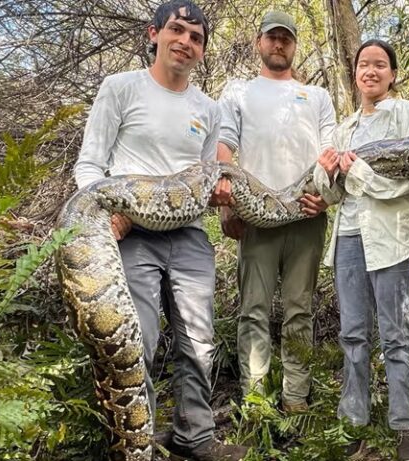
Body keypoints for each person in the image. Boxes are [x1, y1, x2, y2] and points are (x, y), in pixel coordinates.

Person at [73, 1, 246, 460]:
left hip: (188, 235)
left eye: (196, 37)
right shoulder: (121, 88)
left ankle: (195, 437)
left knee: (199, 343)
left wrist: (223, 195)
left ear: (203, 51)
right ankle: (138, 444)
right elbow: (91, 163)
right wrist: (103, 213)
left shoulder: (207, 109)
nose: (186, 42)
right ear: (154, 34)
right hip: (131, 235)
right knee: (138, 341)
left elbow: (209, 177)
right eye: (178, 30)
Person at [313, 39, 409, 461]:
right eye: (363, 65)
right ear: (355, 73)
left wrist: (356, 171)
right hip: (348, 240)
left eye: (380, 65)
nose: (371, 71)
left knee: (397, 336)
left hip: (393, 240)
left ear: (392, 74)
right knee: (353, 334)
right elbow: (333, 195)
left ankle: (406, 424)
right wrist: (326, 173)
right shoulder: (345, 127)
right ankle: (353, 418)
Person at [216, 10, 336, 412]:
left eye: (286, 38)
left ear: (294, 44)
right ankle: (255, 399)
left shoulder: (316, 96)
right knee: (254, 309)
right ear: (259, 42)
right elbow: (224, 147)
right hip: (256, 219)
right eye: (272, 37)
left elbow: (329, 155)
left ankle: (296, 397)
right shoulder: (238, 92)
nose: (279, 44)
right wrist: (228, 202)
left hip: (307, 215)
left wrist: (327, 197)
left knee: (300, 309)